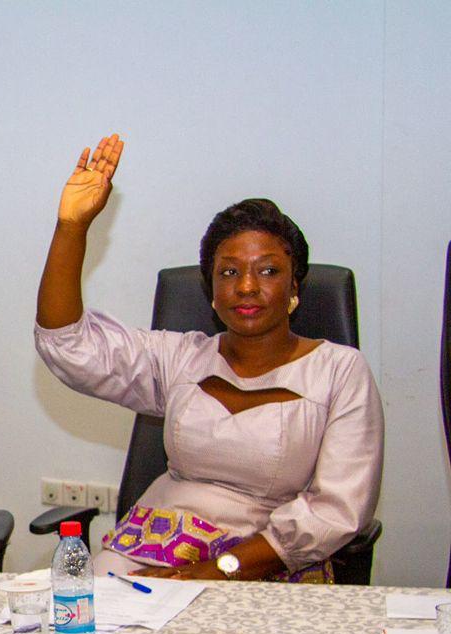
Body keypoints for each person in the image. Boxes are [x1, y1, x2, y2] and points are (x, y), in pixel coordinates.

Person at [34, 136, 383, 582]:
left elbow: (336, 510)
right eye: (229, 272)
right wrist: (71, 227)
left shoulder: (340, 371)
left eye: (268, 271)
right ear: (212, 292)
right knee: (83, 612)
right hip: (149, 550)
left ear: (295, 287)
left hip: (264, 563)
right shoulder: (181, 359)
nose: (247, 286)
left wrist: (217, 569)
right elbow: (66, 344)